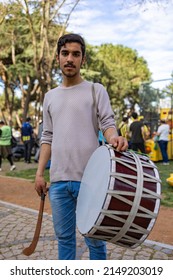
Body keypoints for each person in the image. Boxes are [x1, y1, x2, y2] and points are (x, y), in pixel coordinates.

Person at [34, 33, 128, 260]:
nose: (70, 59)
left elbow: (107, 123)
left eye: (76, 54)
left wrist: (114, 137)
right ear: (58, 57)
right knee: (64, 240)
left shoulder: (96, 90)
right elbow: (47, 137)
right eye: (65, 53)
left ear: (83, 59)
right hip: (57, 184)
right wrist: (39, 174)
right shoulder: (50, 97)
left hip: (91, 181)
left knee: (95, 242)